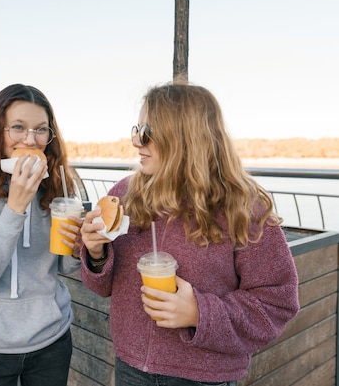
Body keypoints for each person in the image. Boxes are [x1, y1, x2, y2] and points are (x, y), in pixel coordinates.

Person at [80, 82, 300, 385]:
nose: (135, 141)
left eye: (147, 132)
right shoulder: (124, 196)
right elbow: (102, 286)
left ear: (184, 137)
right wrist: (95, 253)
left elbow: (277, 303)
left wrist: (200, 313)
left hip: (204, 377)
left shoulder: (243, 208)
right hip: (130, 367)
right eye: (136, 129)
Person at [0, 84, 83, 386]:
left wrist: (79, 249)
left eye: (41, 130)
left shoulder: (58, 182)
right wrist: (16, 206)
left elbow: (65, 267)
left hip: (51, 337)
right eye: (18, 128)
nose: (31, 140)